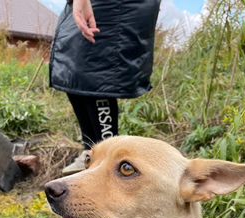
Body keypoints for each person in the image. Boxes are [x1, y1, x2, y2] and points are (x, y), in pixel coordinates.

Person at [49, 0, 161, 175]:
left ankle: (108, 164)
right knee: (73, 75)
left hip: (113, 7)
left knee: (98, 79)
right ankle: (91, 153)